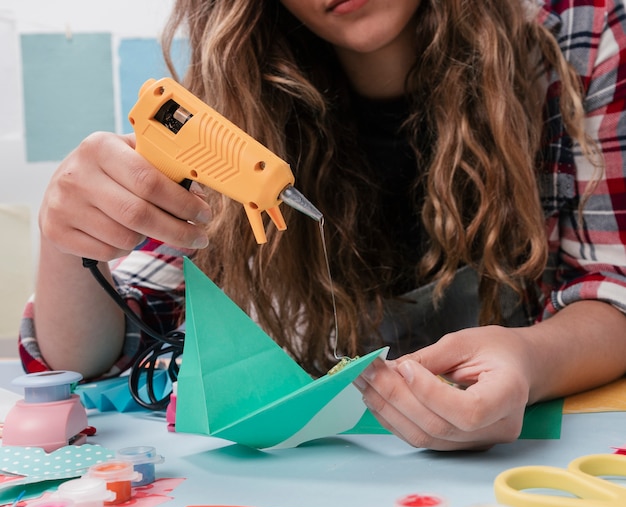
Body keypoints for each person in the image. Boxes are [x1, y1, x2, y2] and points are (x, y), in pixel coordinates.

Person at [19, 0, 626, 451]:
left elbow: (614, 292)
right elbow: (99, 355)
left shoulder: (580, 35)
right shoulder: (226, 103)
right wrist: (69, 238)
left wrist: (530, 359)